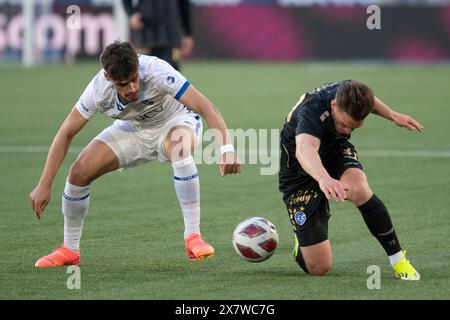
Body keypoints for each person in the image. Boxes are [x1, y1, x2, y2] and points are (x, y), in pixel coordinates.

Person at [29, 41, 240, 267]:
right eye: (123, 84)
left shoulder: (157, 71)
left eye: (134, 79)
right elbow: (66, 132)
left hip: (175, 122)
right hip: (135, 128)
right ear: (109, 78)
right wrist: (44, 184)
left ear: (138, 68)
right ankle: (69, 250)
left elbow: (205, 107)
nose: (131, 88)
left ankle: (193, 237)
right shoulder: (97, 90)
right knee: (80, 172)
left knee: (179, 146)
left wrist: (227, 149)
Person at [279, 80, 423, 280]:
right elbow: (305, 150)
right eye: (344, 124)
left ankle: (398, 260)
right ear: (333, 106)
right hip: (299, 169)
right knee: (319, 268)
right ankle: (301, 241)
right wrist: (324, 179)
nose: (347, 131)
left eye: (354, 126)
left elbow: (369, 100)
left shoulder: (350, 94)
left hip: (335, 150)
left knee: (359, 189)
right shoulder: (311, 112)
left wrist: (393, 115)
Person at [122, 0, 194, 71]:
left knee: (172, 73)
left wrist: (188, 33)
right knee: (144, 73)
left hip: (171, 35)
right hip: (145, 34)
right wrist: (131, 14)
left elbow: (184, 3)